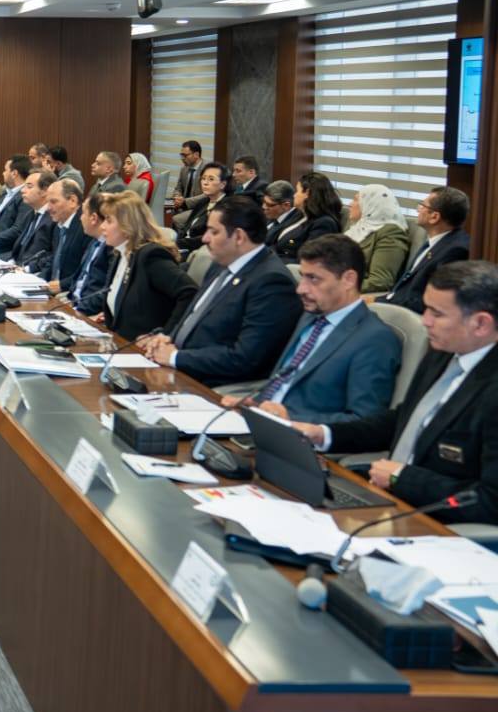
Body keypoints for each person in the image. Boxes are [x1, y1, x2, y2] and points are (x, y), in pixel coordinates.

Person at [290, 261, 498, 521]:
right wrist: (325, 433)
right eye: (426, 309)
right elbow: (403, 421)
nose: (425, 321)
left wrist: (403, 477)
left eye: (437, 314)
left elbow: (490, 501)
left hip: (435, 521)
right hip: (387, 497)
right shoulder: (445, 352)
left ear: (480, 324)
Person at [225, 234, 400, 424]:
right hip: (258, 419)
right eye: (302, 277)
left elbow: (364, 421)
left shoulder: (375, 340)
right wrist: (255, 403)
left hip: (297, 435)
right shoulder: (310, 316)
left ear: (348, 279)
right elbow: (285, 382)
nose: (301, 289)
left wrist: (289, 418)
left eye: (313, 279)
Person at [142, 196, 303, 386]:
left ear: (239, 237)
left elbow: (245, 358)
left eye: (214, 231)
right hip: (179, 369)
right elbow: (194, 316)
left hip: (213, 385)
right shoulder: (222, 263)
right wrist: (166, 338)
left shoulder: (272, 282)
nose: (205, 238)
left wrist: (175, 357)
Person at [98, 191, 198, 340]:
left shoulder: (151, 256)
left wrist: (165, 335)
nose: (102, 226)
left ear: (127, 224)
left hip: (141, 349)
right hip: (119, 342)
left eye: (108, 221)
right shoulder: (121, 253)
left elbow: (190, 292)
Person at [383, 186, 471, 313]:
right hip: (396, 305)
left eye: (422, 206)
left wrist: (379, 302)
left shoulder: (455, 251)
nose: (418, 210)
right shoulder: (434, 242)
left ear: (434, 217)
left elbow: (426, 301)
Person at [345, 185, 409, 294]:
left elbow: (380, 281)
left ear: (371, 204)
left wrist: (339, 287)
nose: (350, 204)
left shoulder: (391, 233)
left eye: (356, 200)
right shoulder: (357, 227)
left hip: (350, 292)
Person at [60, 191, 114, 315]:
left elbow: (103, 293)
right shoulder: (94, 241)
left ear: (93, 218)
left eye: (83, 213)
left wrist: (77, 311)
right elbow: (78, 280)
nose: (80, 218)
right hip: (72, 302)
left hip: (87, 311)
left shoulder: (111, 250)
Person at [28, 178, 89, 287]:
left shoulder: (85, 228)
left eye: (53, 202)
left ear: (72, 201)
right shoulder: (59, 225)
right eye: (47, 202)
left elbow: (85, 273)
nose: (48, 208)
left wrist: (61, 285)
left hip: (68, 290)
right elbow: (55, 260)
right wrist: (38, 281)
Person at [273, 172, 343, 263]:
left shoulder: (324, 223)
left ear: (307, 193)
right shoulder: (300, 213)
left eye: (297, 191)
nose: (294, 195)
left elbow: (309, 259)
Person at [174, 161, 227, 254]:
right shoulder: (203, 202)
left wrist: (177, 244)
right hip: (183, 247)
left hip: (200, 252)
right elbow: (186, 228)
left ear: (223, 184)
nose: (205, 183)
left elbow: (206, 238)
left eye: (211, 179)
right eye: (203, 178)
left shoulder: (226, 207)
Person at [10, 171, 57, 266]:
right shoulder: (30, 214)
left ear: (45, 191)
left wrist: (28, 268)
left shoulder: (53, 219)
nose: (22, 190)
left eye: (29, 187)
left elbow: (52, 255)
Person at [169, 140, 204, 211]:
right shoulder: (184, 169)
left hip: (198, 208)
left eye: (185, 155)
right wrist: (177, 197)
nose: (182, 158)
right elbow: (178, 188)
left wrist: (185, 201)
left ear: (196, 155)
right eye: (181, 155)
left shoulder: (207, 170)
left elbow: (206, 195)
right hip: (182, 207)